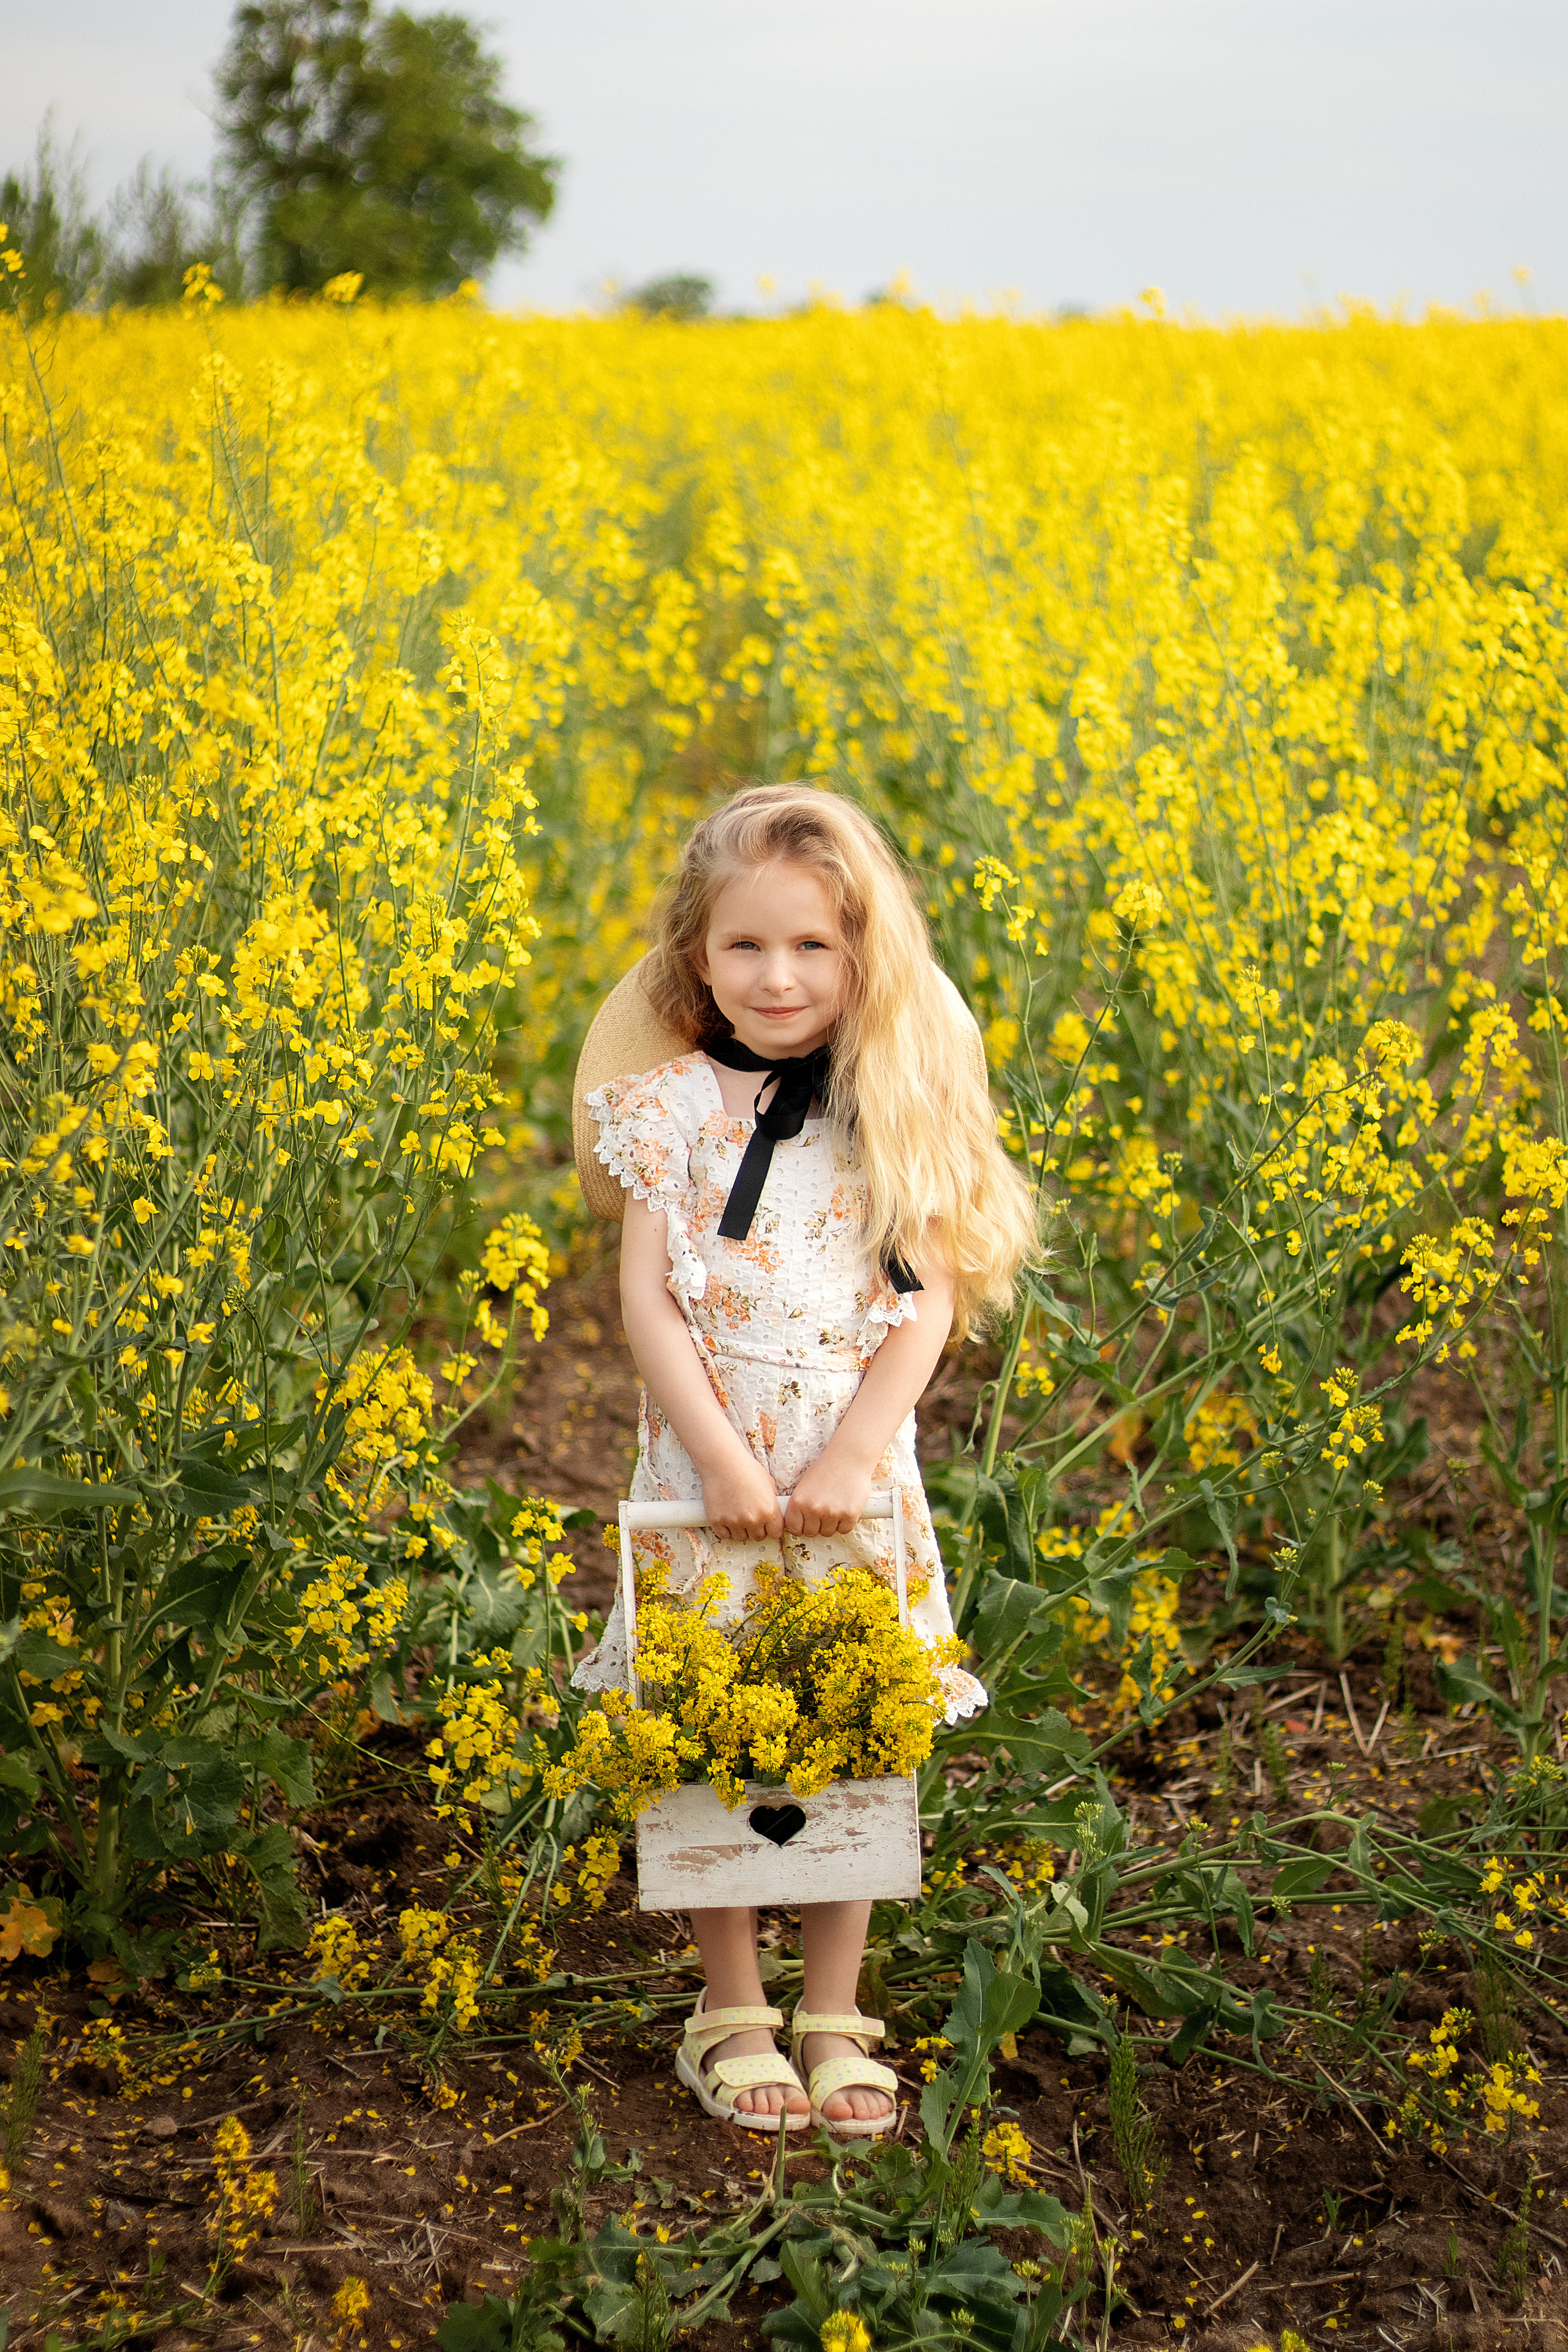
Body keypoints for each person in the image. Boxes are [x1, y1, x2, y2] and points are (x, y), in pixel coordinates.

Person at [574, 784, 1036, 2138]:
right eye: (746, 946)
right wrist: (721, 1462)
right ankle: (730, 2008)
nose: (777, 977)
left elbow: (926, 1307)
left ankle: (833, 2010)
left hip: (850, 1480)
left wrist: (853, 1454)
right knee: (703, 1725)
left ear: (860, 955)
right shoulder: (666, 1108)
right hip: (703, 1474)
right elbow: (648, 1301)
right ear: (696, 957)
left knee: (855, 1727)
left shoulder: (891, 1105)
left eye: (812, 947)